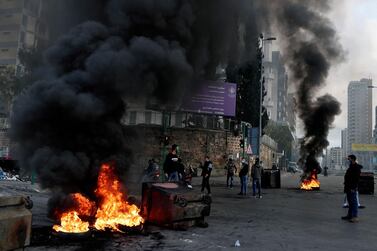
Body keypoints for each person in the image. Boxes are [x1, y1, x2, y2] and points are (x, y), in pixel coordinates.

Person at [341, 154, 362, 223]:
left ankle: (355, 216)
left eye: (349, 159)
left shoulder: (356, 167)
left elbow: (356, 179)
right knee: (350, 202)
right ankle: (350, 215)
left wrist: (354, 187)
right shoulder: (351, 166)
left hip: (352, 187)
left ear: (352, 159)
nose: (348, 160)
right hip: (348, 187)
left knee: (354, 202)